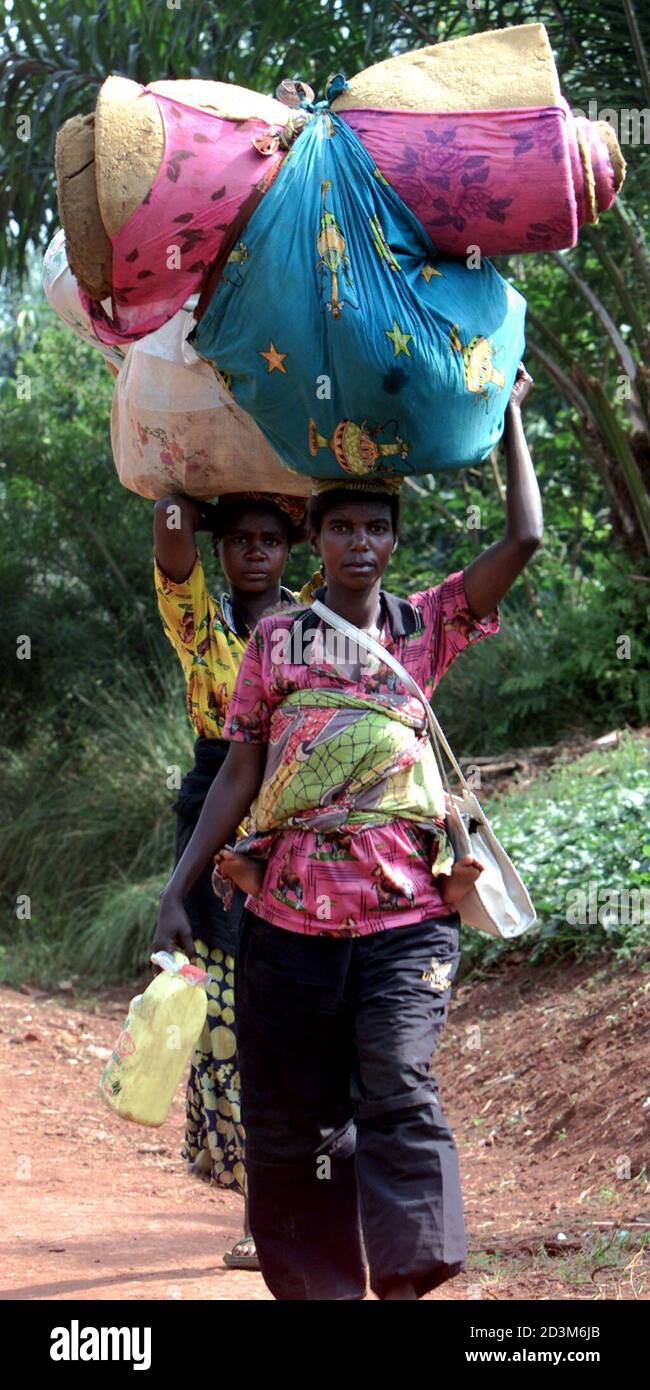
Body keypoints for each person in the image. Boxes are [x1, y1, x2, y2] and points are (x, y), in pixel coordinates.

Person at [154, 364, 542, 1299]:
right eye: (341, 527)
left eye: (375, 527)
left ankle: (407, 1276)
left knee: (399, 1081)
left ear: (393, 540)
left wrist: (513, 417)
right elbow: (242, 768)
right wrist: (180, 887)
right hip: (287, 917)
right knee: (292, 1118)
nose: (359, 541)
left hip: (405, 916)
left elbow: (525, 537)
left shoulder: (426, 625)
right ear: (316, 541)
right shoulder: (275, 644)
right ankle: (321, 1288)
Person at [152, 488, 309, 1270]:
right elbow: (169, 539)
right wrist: (178, 487)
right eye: (239, 538)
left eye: (270, 538)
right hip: (213, 821)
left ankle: (292, 1205)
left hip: (298, 820)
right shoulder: (199, 624)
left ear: (291, 549)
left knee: (286, 1022)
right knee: (229, 1026)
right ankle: (260, 1213)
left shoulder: (316, 623)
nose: (253, 550)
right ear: (220, 550)